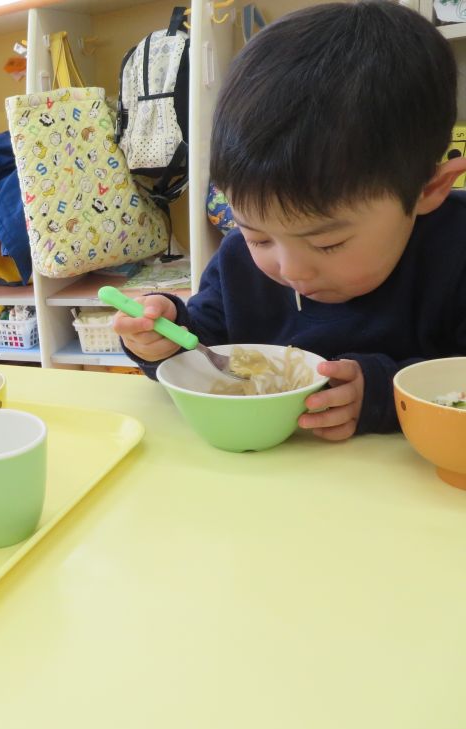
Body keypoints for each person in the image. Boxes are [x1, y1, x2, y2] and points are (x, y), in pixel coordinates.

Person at [114, 0, 466, 441]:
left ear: (428, 190)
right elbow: (206, 344)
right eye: (260, 237)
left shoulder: (455, 251)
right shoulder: (238, 260)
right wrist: (165, 338)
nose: (290, 270)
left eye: (327, 244)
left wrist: (380, 394)